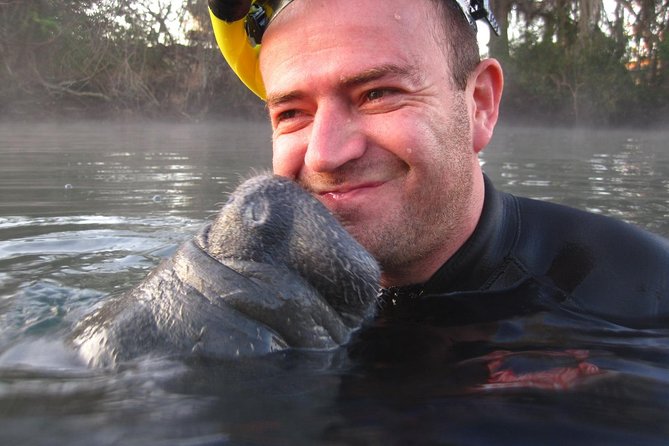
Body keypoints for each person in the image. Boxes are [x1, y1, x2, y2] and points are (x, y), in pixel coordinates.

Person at [208, 0, 669, 328]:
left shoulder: (636, 298)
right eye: (291, 112)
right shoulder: (237, 294)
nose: (324, 154)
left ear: (480, 105)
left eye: (378, 94)